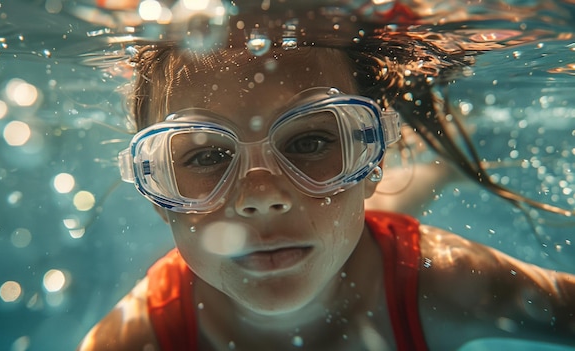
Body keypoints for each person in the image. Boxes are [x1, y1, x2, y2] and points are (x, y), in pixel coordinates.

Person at [77, 35, 575, 350]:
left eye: (310, 141)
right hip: (337, 229)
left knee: (388, 207)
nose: (262, 196)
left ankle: (436, 165)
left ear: (373, 159)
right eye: (207, 156)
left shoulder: (443, 284)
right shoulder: (139, 336)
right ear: (155, 190)